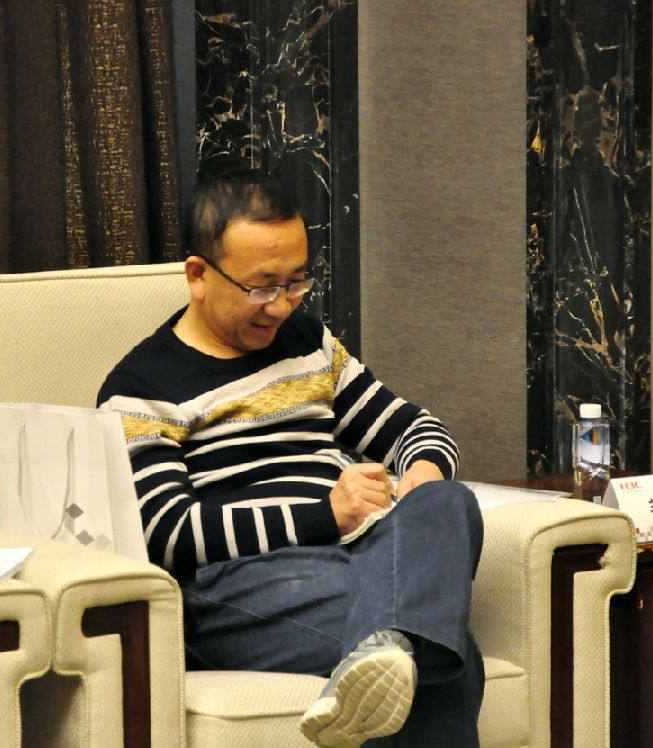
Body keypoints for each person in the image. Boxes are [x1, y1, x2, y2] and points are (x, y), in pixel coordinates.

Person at [96, 166, 485, 748]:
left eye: (296, 282)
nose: (279, 306)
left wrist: (421, 475)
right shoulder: (142, 387)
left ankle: (385, 639)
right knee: (443, 652)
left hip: (359, 558)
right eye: (261, 287)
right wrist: (325, 515)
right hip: (237, 587)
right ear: (199, 276)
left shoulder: (307, 343)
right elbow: (165, 534)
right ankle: (393, 634)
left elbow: (417, 428)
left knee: (447, 500)